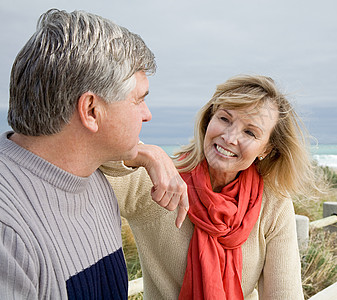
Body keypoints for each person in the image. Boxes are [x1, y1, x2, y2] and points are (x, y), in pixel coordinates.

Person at [0, 9, 187, 299]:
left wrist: (147, 153)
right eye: (138, 100)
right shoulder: (8, 232)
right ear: (90, 110)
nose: (147, 115)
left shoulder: (94, 181)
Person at [103, 74, 319, 299]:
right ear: (209, 119)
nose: (230, 137)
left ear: (266, 150)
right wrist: (145, 154)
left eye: (250, 132)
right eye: (225, 119)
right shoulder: (159, 182)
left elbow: (284, 294)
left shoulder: (273, 204)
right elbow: (89, 147)